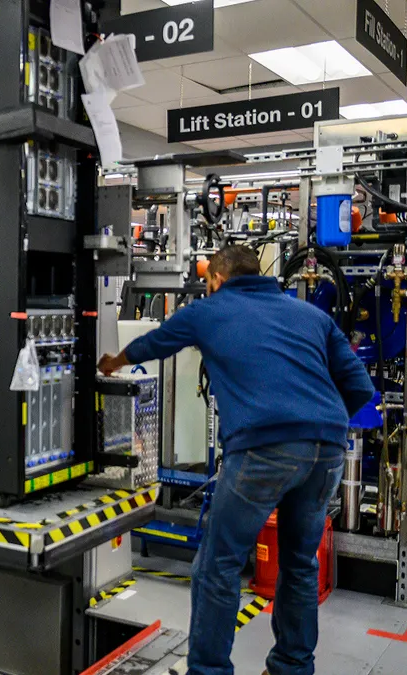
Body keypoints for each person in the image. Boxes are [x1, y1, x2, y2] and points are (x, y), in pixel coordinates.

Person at [97, 245, 373, 675]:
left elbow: (156, 341)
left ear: (217, 280)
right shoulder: (311, 315)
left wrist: (114, 362)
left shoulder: (212, 309)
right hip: (329, 449)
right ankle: (292, 667)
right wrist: (322, 421)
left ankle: (208, 671)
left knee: (218, 564)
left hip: (263, 450)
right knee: (299, 563)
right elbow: (360, 385)